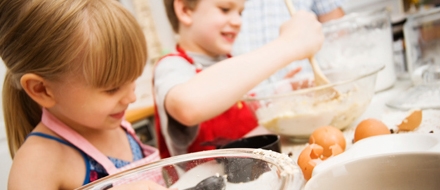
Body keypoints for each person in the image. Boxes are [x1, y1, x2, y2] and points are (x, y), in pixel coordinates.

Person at [0, 0, 169, 189]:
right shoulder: (37, 165)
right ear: (41, 89)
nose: (131, 98)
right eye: (112, 89)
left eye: (132, 81)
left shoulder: (113, 124)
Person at [154, 0, 324, 158]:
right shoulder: (172, 66)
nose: (237, 22)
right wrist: (288, 44)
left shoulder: (233, 62)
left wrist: (280, 96)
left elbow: (252, 132)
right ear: (185, 10)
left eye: (240, 13)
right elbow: (188, 105)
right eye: (225, 9)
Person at [233, 0, 345, 82]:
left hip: (305, 87)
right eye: (225, 10)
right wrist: (287, 45)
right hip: (239, 95)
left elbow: (338, 32)